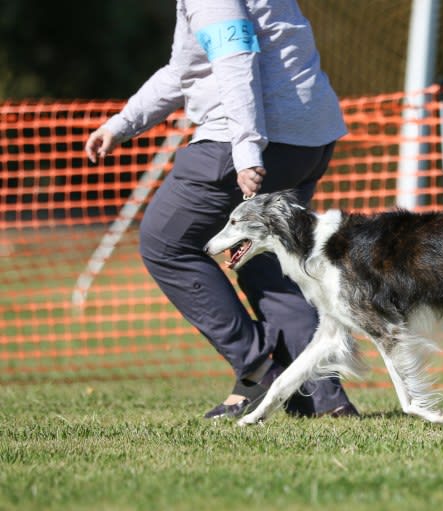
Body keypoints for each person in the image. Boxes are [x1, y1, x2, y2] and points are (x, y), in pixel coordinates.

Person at [85, 0, 357, 419]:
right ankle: (323, 399)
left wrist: (246, 147)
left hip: (246, 141)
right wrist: (124, 123)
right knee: (267, 262)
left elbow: (235, 58)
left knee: (165, 241)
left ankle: (258, 368)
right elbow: (186, 70)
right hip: (308, 138)